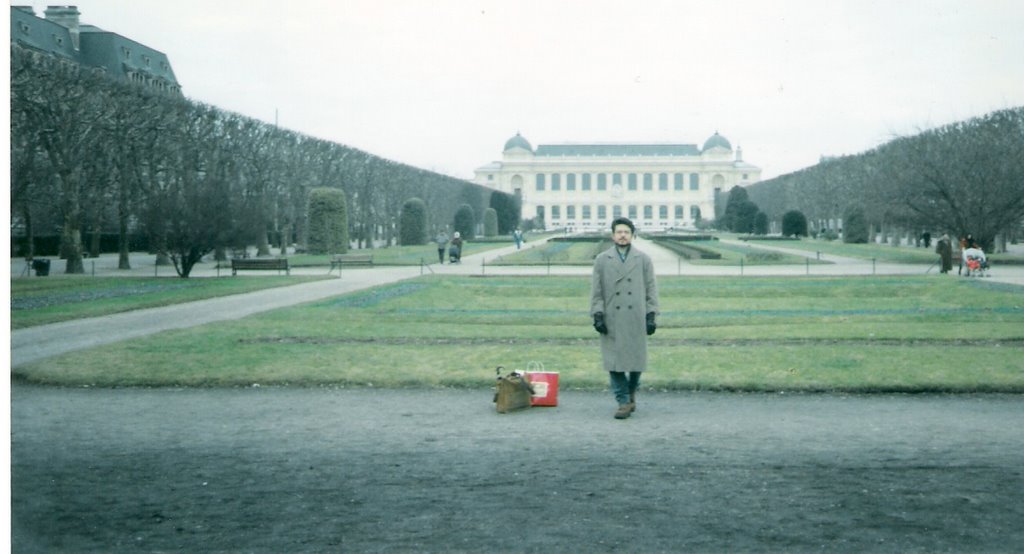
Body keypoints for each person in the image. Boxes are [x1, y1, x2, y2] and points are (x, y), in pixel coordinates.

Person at [590, 217, 659, 420]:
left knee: (636, 362)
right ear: (612, 235)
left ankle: (631, 392)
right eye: (619, 232)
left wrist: (651, 314)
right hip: (612, 316)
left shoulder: (643, 259)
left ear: (632, 235)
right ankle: (622, 401)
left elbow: (651, 288)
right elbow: (596, 290)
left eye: (626, 232)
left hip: (635, 316)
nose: (622, 235)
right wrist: (598, 314)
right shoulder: (602, 260)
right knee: (614, 362)